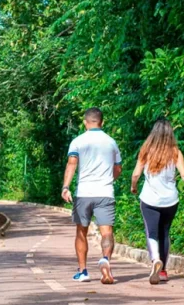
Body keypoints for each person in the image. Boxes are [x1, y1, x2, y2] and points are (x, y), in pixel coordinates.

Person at [131, 117, 184, 285]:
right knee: (164, 232)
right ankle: (162, 271)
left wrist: (133, 186)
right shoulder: (175, 152)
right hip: (170, 201)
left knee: (152, 232)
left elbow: (136, 174)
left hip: (149, 200)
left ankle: (155, 259)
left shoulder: (146, 150)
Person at [61, 107, 122, 284]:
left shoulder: (78, 141)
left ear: (85, 123)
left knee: (81, 231)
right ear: (102, 122)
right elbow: (118, 168)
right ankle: (105, 260)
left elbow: (71, 165)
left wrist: (66, 187)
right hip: (105, 192)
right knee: (107, 231)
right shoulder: (111, 142)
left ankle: (83, 271)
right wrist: (109, 180)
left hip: (84, 193)